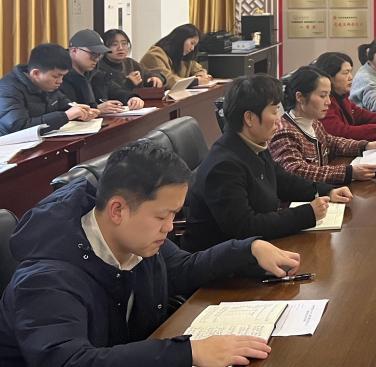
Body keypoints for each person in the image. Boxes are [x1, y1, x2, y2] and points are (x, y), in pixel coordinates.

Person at [0, 139, 302, 367]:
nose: (169, 228)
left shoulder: (135, 239)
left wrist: (248, 249)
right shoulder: (46, 280)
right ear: (118, 210)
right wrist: (188, 353)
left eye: (173, 215)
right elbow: (70, 361)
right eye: (161, 216)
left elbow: (182, 269)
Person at [184, 74, 353, 252]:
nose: (279, 119)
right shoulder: (224, 166)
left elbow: (283, 180)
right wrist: (306, 214)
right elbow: (245, 226)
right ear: (249, 118)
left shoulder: (253, 144)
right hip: (225, 261)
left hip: (259, 249)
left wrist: (326, 191)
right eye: (273, 112)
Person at [269, 66, 376, 185]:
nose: (328, 102)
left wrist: (365, 146)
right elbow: (296, 171)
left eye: (329, 95)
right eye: (322, 96)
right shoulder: (284, 133)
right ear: (300, 97)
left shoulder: (314, 122)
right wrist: (348, 172)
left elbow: (331, 142)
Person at [0, 43, 97, 135]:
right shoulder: (7, 90)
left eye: (63, 76)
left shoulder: (47, 85)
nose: (60, 81)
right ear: (36, 73)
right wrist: (66, 115)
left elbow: (63, 104)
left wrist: (80, 112)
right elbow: (19, 128)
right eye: (56, 76)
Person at [313, 52, 376, 141]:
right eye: (345, 73)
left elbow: (359, 114)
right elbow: (342, 133)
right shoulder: (324, 103)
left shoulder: (342, 96)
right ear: (329, 77)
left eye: (350, 72)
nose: (351, 77)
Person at [60, 29, 145, 114]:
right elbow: (64, 108)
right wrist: (97, 109)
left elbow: (115, 91)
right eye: (93, 54)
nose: (96, 59)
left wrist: (132, 98)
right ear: (74, 51)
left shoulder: (95, 74)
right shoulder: (59, 76)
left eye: (99, 55)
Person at [139, 24, 212, 87]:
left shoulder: (183, 57)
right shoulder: (154, 55)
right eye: (192, 43)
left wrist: (201, 76)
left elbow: (199, 69)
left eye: (194, 45)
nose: (192, 48)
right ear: (181, 39)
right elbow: (168, 80)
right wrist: (196, 81)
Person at [97, 28, 164, 91]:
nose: (120, 48)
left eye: (124, 44)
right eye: (114, 44)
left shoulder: (130, 63)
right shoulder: (99, 67)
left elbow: (149, 74)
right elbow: (111, 92)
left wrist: (156, 78)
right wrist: (129, 83)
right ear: (104, 47)